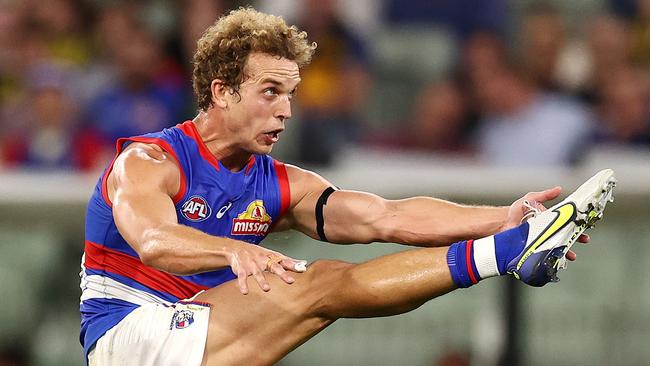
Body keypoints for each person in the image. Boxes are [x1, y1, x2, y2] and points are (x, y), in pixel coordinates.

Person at [79, 8, 616, 365]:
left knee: (326, 287)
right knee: (319, 285)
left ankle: (512, 241)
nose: (286, 110)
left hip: (202, 329)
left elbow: (387, 217)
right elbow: (153, 240)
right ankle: (509, 254)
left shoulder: (281, 185)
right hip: (130, 336)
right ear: (221, 92)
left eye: (290, 94)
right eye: (269, 92)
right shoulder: (148, 160)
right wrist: (231, 250)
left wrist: (503, 215)